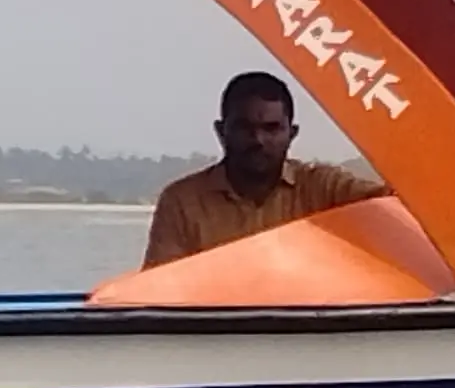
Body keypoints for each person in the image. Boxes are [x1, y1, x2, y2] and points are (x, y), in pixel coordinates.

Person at [141, 71, 383, 265]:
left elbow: (397, 207)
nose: (258, 140)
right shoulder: (182, 202)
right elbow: (159, 294)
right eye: (244, 127)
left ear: (292, 133)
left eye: (271, 128)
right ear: (221, 131)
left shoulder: (324, 188)